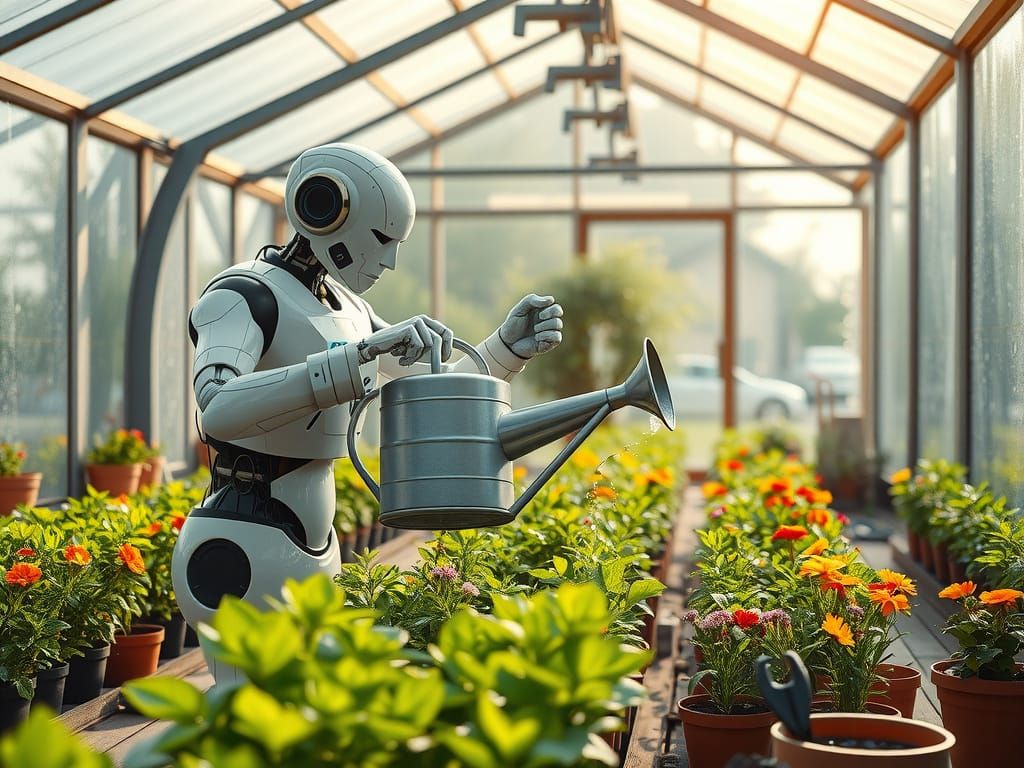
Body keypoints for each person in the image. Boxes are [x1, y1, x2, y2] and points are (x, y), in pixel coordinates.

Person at [171, 143, 563, 678]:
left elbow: (439, 390)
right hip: (242, 529)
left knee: (303, 696)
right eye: (381, 240)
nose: (389, 260)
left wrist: (504, 350)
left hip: (309, 536)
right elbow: (216, 406)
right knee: (242, 696)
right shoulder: (242, 296)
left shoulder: (350, 308)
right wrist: (350, 360)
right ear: (325, 207)